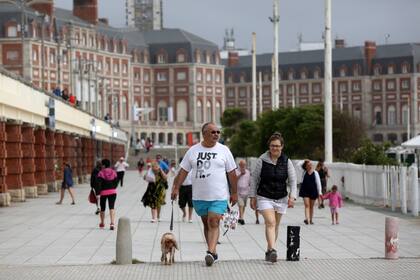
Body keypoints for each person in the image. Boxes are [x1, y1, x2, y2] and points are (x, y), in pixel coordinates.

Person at [171, 122, 238, 267]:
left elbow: (232, 172)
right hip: (199, 196)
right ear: (204, 134)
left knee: (214, 222)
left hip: (219, 196)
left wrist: (234, 192)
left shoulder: (224, 150)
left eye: (218, 132)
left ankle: (210, 251)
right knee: (206, 224)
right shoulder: (193, 150)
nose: (216, 135)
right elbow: (183, 171)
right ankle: (213, 253)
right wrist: (176, 188)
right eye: (213, 132)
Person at [250, 132, 297, 263]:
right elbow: (254, 179)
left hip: (281, 197)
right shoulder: (262, 160)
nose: (274, 148)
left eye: (277, 146)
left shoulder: (287, 161)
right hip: (264, 196)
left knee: (275, 225)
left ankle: (269, 250)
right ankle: (272, 250)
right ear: (269, 146)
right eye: (272, 146)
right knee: (270, 222)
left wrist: (292, 197)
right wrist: (252, 197)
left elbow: (293, 180)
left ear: (282, 146)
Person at [299, 159, 322, 225]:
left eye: (311, 164)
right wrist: (304, 160)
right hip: (305, 190)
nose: (310, 166)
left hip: (313, 191)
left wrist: (319, 192)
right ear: (305, 166)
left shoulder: (315, 173)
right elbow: (298, 165)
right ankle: (307, 219)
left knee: (311, 206)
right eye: (308, 165)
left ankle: (311, 219)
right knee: (307, 205)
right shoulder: (303, 172)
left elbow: (318, 183)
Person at [97, 159, 118, 230]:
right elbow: (116, 182)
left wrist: (98, 193)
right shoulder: (114, 172)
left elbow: (98, 184)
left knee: (102, 208)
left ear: (103, 165)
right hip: (112, 192)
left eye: (102, 164)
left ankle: (102, 223)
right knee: (111, 207)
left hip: (103, 192)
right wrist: (113, 187)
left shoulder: (100, 173)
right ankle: (112, 223)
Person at [177, 157, 194, 223]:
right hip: (182, 187)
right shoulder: (179, 169)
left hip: (190, 187)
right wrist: (175, 187)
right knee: (181, 203)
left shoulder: (192, 168)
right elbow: (177, 178)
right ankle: (184, 213)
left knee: (191, 203)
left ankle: (190, 217)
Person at [235, 159, 251, 225]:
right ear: (239, 165)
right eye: (241, 165)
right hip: (238, 192)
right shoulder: (236, 171)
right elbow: (234, 180)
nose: (243, 166)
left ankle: (240, 217)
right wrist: (241, 174)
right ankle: (241, 219)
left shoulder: (248, 172)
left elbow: (249, 182)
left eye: (244, 165)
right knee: (241, 205)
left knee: (243, 206)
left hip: (246, 192)